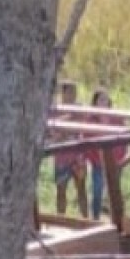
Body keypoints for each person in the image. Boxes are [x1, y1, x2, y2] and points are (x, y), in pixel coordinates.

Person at [87, 88, 127, 228]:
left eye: (106, 99)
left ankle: (118, 222)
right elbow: (86, 141)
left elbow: (124, 139)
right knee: (97, 192)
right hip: (98, 163)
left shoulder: (117, 118)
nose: (104, 102)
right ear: (95, 103)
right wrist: (92, 159)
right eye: (101, 99)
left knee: (115, 192)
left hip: (116, 162)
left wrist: (121, 158)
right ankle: (95, 220)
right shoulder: (90, 120)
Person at [51, 82, 87, 216]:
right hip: (61, 157)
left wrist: (67, 128)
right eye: (70, 92)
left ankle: (86, 219)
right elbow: (54, 133)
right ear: (63, 93)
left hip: (78, 157)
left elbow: (81, 126)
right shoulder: (55, 110)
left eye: (75, 92)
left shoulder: (80, 109)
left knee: (81, 189)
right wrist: (68, 120)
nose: (73, 95)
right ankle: (61, 218)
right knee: (61, 190)